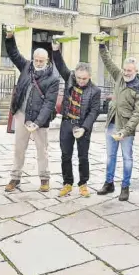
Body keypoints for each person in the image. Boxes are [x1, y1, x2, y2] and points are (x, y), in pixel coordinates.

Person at [3, 29, 59, 193]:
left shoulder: (53, 79)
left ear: (47, 60)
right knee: (19, 148)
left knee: (42, 149)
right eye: (36, 59)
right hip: (21, 115)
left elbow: (49, 104)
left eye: (42, 60)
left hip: (39, 120)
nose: (38, 62)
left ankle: (44, 178)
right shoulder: (27, 66)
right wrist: (10, 37)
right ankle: (15, 177)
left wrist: (38, 122)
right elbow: (14, 54)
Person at [96, 38, 139, 201]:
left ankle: (125, 186)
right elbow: (108, 61)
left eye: (129, 71)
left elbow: (138, 113)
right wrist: (102, 45)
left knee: (127, 158)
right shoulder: (119, 76)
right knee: (110, 156)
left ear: (136, 70)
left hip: (127, 127)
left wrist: (126, 131)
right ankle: (109, 183)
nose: (126, 73)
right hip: (112, 123)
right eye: (125, 69)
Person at [52, 41, 101, 198]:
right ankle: (67, 183)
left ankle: (83, 184)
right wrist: (55, 49)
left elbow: (94, 111)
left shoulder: (95, 91)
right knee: (65, 155)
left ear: (89, 77)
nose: (81, 81)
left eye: (84, 79)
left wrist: (84, 128)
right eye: (79, 77)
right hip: (67, 123)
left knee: (83, 156)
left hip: (82, 126)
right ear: (75, 75)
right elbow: (60, 65)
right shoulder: (69, 78)